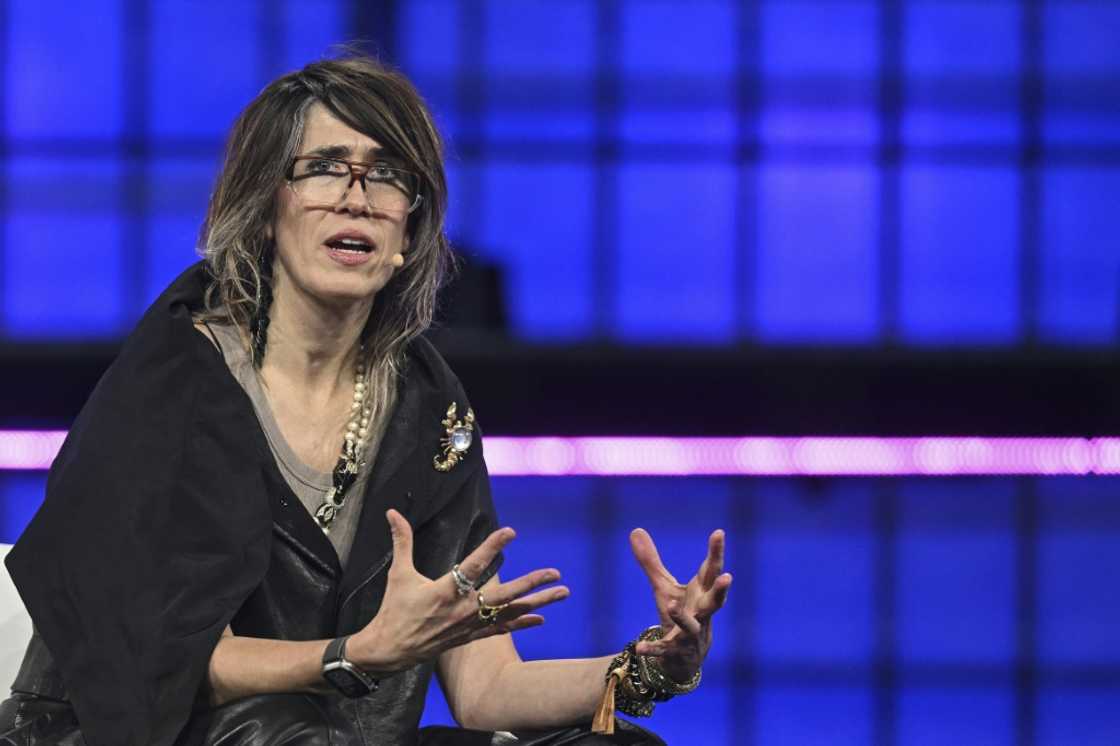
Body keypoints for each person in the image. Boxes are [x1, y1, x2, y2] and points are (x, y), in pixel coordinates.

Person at [0, 55, 731, 745]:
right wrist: (356, 654)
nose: (357, 195)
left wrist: (645, 668)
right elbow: (162, 660)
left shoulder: (427, 405)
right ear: (266, 207)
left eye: (386, 176)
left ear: (409, 231)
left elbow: (485, 687)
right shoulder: (176, 381)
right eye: (324, 169)